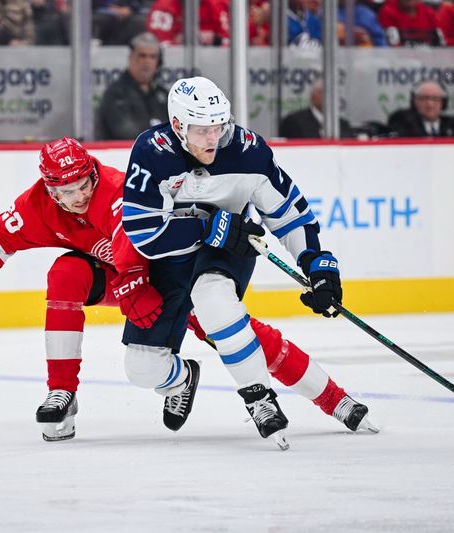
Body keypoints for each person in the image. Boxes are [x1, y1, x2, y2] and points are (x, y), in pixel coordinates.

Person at [0, 135, 375, 442]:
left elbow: (132, 242)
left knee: (231, 331)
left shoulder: (115, 188)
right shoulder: (37, 205)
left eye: (83, 184)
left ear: (92, 173)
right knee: (65, 275)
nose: (77, 197)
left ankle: (333, 398)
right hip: (127, 281)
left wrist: (132, 281)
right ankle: (64, 395)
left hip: (169, 270)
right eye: (65, 191)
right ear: (49, 190)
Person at [120, 76, 375, 449]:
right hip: (168, 261)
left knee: (213, 301)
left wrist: (318, 263)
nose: (213, 137)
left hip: (228, 248)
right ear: (177, 126)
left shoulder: (248, 151)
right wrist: (207, 225)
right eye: (202, 129)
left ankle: (260, 399)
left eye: (219, 125)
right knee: (142, 369)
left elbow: (289, 214)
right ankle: (183, 378)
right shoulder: (152, 152)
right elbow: (143, 232)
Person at [97, 31, 167, 140]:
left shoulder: (163, 94)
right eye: (142, 56)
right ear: (130, 57)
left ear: (158, 62)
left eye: (152, 57)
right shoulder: (115, 94)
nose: (147, 61)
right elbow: (124, 132)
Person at [387, 79, 454, 137]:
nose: (429, 104)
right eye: (424, 98)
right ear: (414, 101)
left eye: (435, 99)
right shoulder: (403, 121)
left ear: (443, 102)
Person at [279, 79, 356, 138]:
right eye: (323, 92)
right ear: (313, 96)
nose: (329, 97)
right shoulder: (293, 122)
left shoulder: (342, 124)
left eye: (333, 94)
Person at [146, 0, 228, 46]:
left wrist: (216, 40)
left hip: (215, 62)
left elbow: (231, 45)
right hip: (174, 67)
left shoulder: (219, 5)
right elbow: (157, 46)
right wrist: (182, 41)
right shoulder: (164, 6)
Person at [378, 0, 446, 47]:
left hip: (431, 59)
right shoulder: (388, 11)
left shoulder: (429, 12)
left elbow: (441, 42)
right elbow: (393, 45)